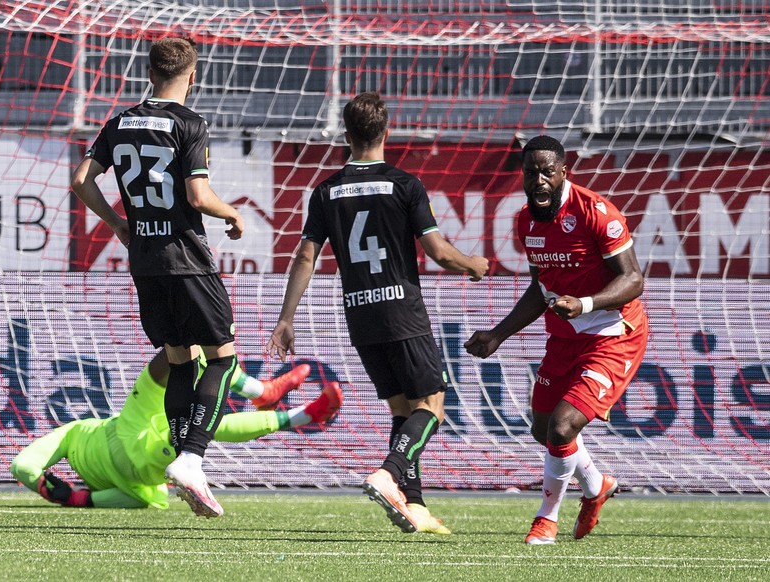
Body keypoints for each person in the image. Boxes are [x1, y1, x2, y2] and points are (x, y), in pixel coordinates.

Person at [266, 92, 489, 535]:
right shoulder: (404, 184)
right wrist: (473, 265)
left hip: (361, 316)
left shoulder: (326, 191)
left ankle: (416, 505)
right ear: (387, 132)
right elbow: (438, 252)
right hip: (402, 311)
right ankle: (388, 474)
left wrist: (286, 318)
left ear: (346, 137)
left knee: (403, 412)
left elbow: (305, 257)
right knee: (432, 408)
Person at [71, 37, 244, 518]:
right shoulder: (189, 123)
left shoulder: (119, 121)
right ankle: (191, 458)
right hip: (187, 258)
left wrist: (116, 222)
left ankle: (184, 456)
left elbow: (82, 180)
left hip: (145, 261)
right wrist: (233, 215)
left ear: (150, 75)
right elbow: (197, 196)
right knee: (222, 359)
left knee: (179, 359)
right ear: (193, 76)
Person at [464, 135, 648, 544]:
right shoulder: (524, 220)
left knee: (563, 428)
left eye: (548, 172)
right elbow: (539, 287)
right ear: (523, 175)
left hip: (612, 334)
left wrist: (584, 304)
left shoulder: (597, 212)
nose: (540, 180)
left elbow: (633, 278)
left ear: (564, 171)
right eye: (532, 173)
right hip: (564, 336)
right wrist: (498, 334)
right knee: (543, 429)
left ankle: (546, 519)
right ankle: (596, 485)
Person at [10, 350, 342, 509]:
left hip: (134, 439)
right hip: (138, 440)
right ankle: (279, 401)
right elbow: (149, 500)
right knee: (194, 362)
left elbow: (23, 467)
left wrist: (72, 498)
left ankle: (280, 402)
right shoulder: (136, 487)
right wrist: (76, 498)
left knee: (188, 351)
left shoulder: (75, 438)